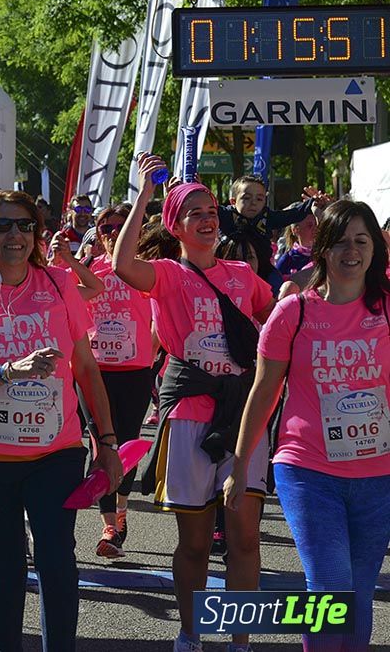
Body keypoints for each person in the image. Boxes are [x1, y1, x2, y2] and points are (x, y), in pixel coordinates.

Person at [0, 189, 122, 651]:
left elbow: (85, 368)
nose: (14, 234)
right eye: (1, 225)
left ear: (37, 234)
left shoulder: (60, 284)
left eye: (24, 224)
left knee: (58, 565)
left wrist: (107, 441)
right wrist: (9, 371)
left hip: (54, 454)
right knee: (4, 573)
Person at [113, 154, 275, 652]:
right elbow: (122, 266)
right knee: (197, 543)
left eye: (210, 211)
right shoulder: (164, 274)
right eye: (193, 213)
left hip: (243, 416)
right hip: (188, 416)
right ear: (176, 226)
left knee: (246, 540)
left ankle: (240, 640)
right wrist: (145, 192)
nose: (206, 219)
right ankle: (191, 634)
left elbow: (276, 323)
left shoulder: (242, 276)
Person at [225, 200, 390, 652]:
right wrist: (240, 464)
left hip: (380, 476)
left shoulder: (388, 310)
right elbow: (262, 393)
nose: (351, 251)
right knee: (331, 584)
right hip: (307, 469)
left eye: (361, 241)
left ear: (375, 249)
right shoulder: (292, 313)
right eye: (340, 242)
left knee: (357, 594)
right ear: (321, 251)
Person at [82, 204, 154, 559]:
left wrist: (153, 350)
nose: (112, 233)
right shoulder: (90, 271)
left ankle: (121, 512)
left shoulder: (143, 272)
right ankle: (110, 527)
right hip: (96, 371)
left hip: (136, 371)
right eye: (106, 228)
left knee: (128, 445)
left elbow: (162, 315)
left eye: (119, 226)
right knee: (102, 447)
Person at [275, 212, 317, 277]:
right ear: (296, 230)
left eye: (317, 224)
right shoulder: (287, 260)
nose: (315, 229)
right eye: (310, 226)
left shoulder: (325, 254)